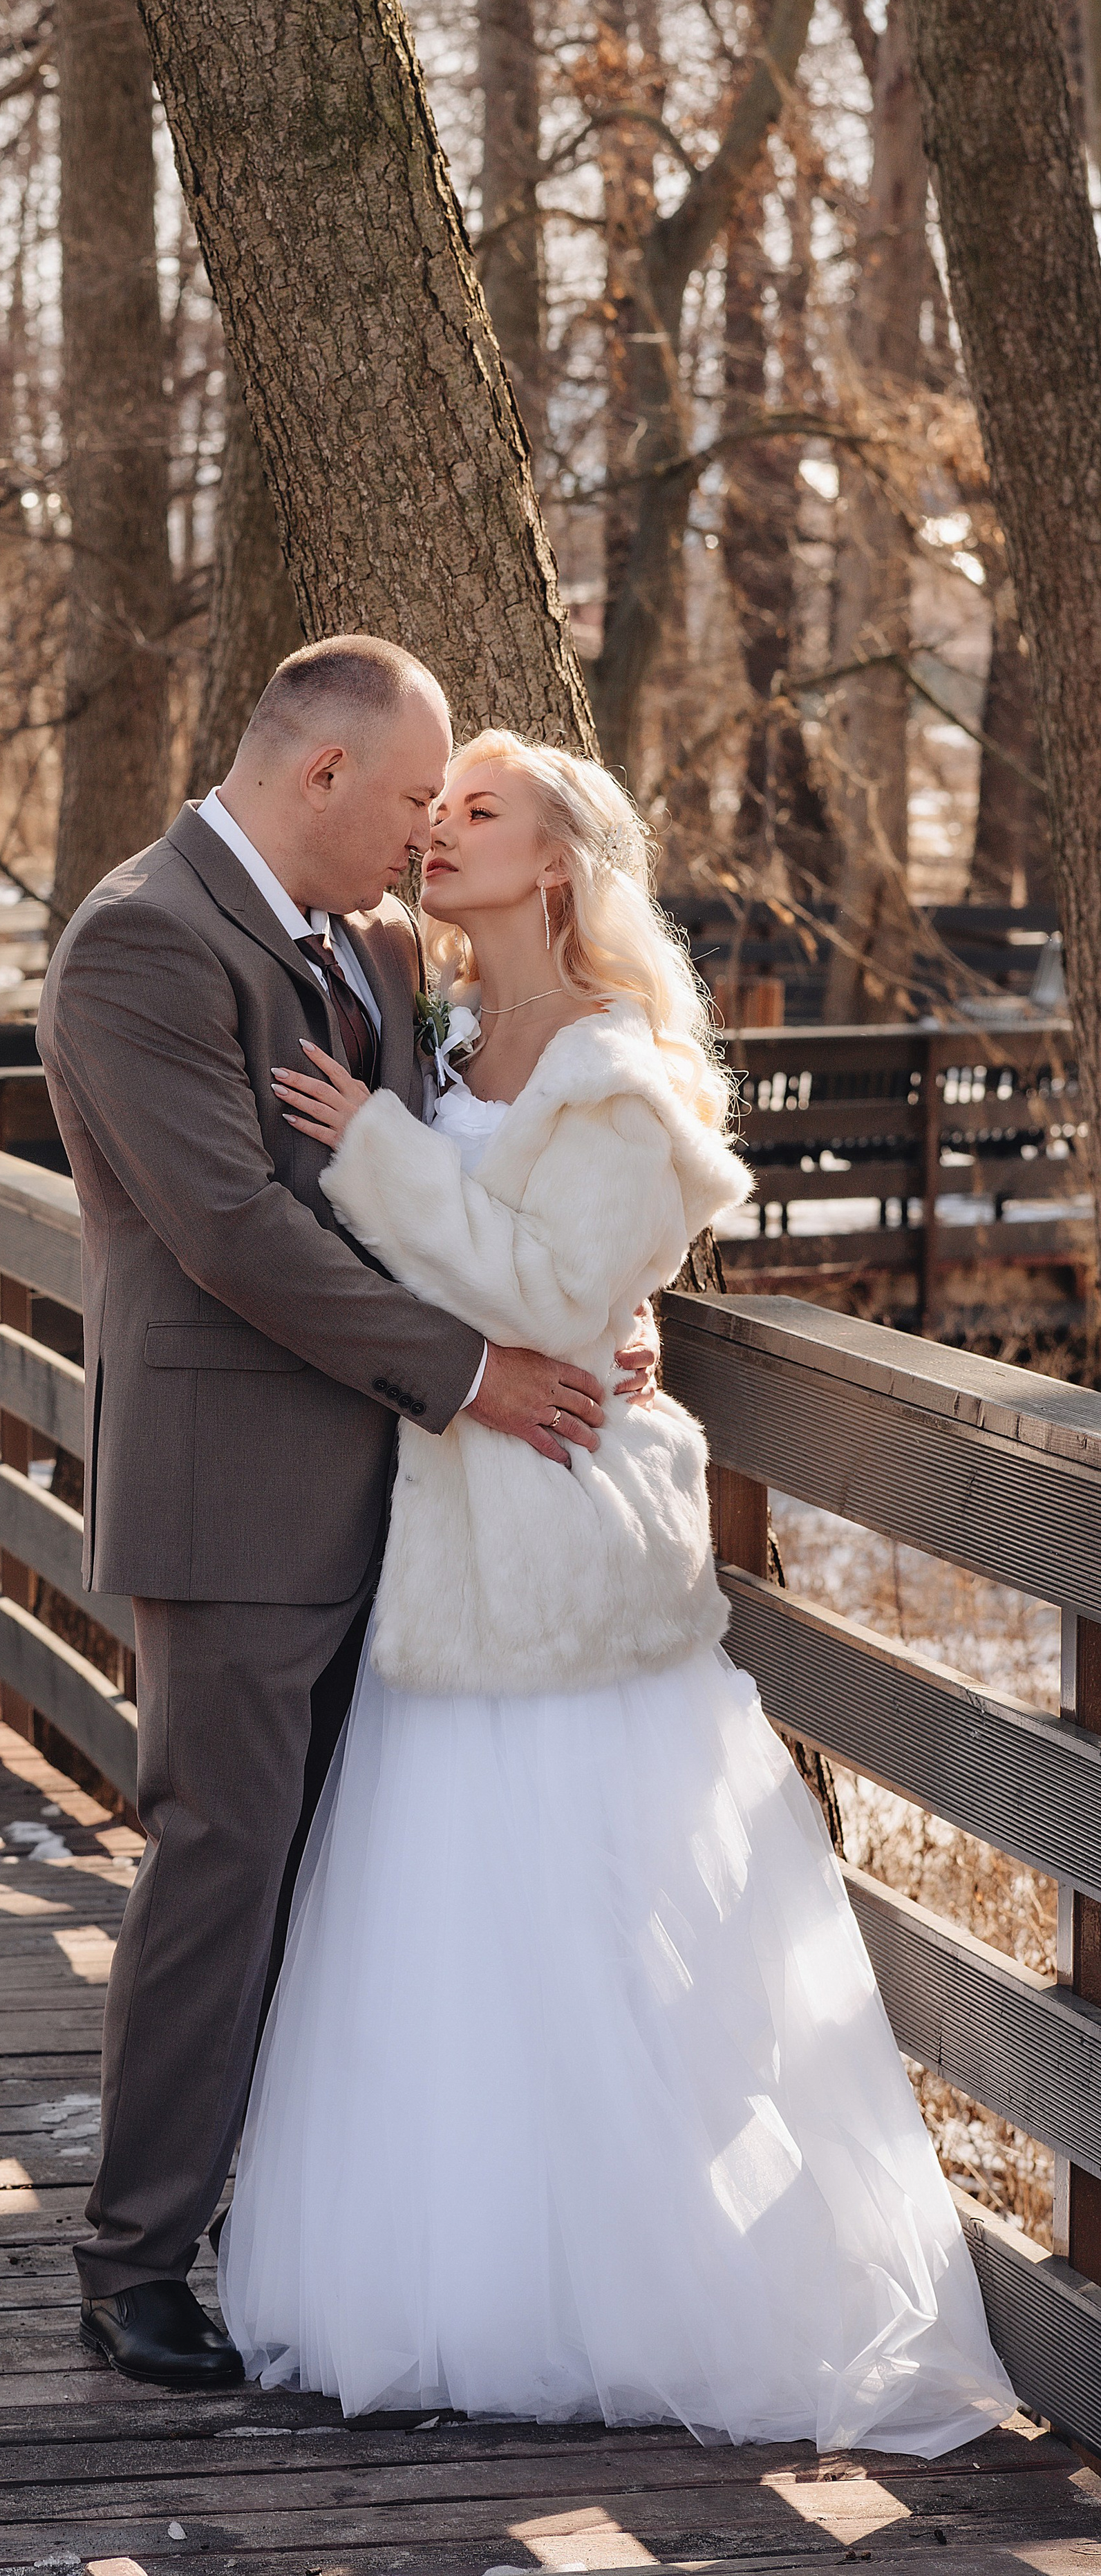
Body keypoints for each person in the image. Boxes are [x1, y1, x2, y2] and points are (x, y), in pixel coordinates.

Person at [220, 727, 1017, 2454]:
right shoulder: (431, 1035)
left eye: (478, 811)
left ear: (556, 863)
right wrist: (407, 1152)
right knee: (441, 1931)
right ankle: (464, 2284)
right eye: (433, 807)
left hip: (571, 1544)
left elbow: (543, 1289)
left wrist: (380, 1153)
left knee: (605, 1921)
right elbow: (468, 1280)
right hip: (447, 1545)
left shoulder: (615, 1070)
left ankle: (649, 2297)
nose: (438, 832)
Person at [37, 638, 661, 2389]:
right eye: (404, 799)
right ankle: (133, 2259)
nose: (418, 837)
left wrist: (589, 1305)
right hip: (236, 1493)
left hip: (405, 1501)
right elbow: (234, 1230)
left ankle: (302, 2228)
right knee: (225, 1861)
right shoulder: (141, 941)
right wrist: (473, 1373)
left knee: (348, 1880)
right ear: (318, 774)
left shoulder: (374, 949)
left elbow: (499, 1153)